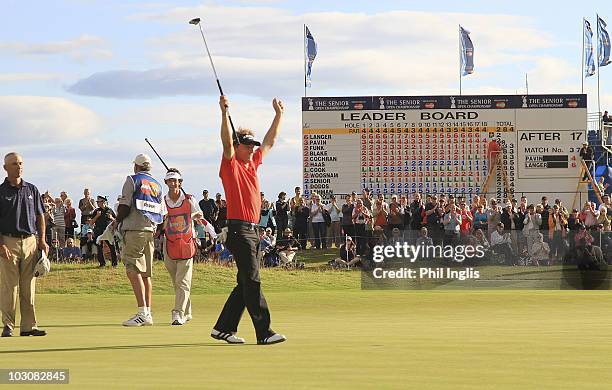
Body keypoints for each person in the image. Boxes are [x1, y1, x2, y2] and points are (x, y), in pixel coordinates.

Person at [211, 95, 286, 345]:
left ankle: (223, 328)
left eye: (253, 146)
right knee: (253, 279)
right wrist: (223, 114)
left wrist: (278, 115)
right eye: (248, 145)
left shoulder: (252, 163)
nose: (253, 148)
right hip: (238, 231)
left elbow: (269, 141)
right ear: (238, 145)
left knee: (244, 282)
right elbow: (225, 142)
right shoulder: (230, 164)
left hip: (254, 231)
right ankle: (264, 332)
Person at [114, 153, 166, 327]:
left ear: (136, 166)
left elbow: (124, 206)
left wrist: (116, 221)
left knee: (132, 269)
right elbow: (161, 212)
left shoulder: (132, 179)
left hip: (134, 229)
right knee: (145, 273)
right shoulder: (157, 184)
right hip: (150, 230)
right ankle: (147, 313)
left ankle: (142, 312)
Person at [0, 152, 48, 337]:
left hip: (30, 241)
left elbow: (40, 216)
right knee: (9, 286)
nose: (18, 166)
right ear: (5, 168)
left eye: (20, 163)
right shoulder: (1, 191)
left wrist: (42, 240)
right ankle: (8, 325)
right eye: (14, 164)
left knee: (29, 287)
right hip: (8, 241)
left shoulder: (32, 189)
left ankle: (29, 326)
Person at [162, 168, 207, 326]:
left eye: (176, 180)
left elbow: (199, 215)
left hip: (187, 242)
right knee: (177, 281)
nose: (173, 183)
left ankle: (178, 313)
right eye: (170, 180)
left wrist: (192, 216)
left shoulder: (189, 199)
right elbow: (159, 220)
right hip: (169, 244)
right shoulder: (163, 201)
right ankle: (187, 311)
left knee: (183, 281)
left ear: (180, 182)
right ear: (166, 182)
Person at [91, 196, 117, 267]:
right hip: (98, 231)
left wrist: (111, 217)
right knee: (99, 247)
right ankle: (102, 264)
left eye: (99, 202)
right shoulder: (96, 211)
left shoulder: (110, 210)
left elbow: (116, 221)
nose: (97, 203)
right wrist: (97, 216)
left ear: (103, 202)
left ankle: (114, 263)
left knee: (112, 246)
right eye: (97, 202)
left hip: (108, 231)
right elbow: (91, 222)